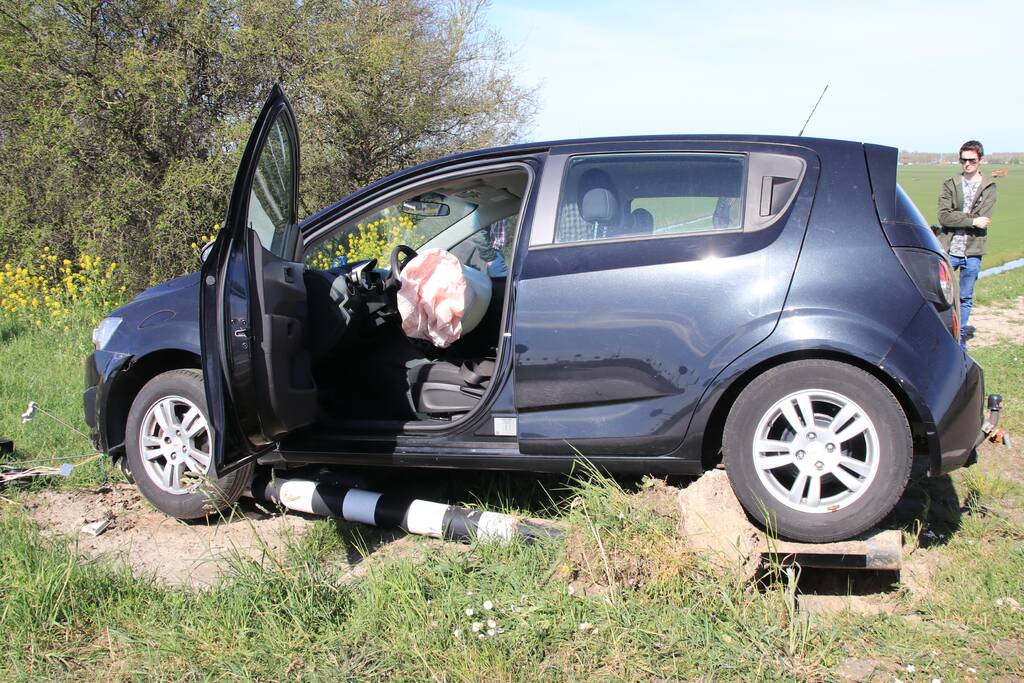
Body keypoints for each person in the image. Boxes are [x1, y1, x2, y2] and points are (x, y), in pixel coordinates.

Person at [937, 140, 997, 348]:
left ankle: (958, 338)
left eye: (972, 160)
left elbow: (985, 218)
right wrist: (972, 220)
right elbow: (944, 217)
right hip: (949, 249)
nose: (967, 164)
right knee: (940, 295)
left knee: (965, 297)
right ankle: (941, 335)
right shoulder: (950, 184)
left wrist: (958, 216)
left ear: (980, 160)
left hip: (973, 250)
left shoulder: (989, 186)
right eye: (963, 160)